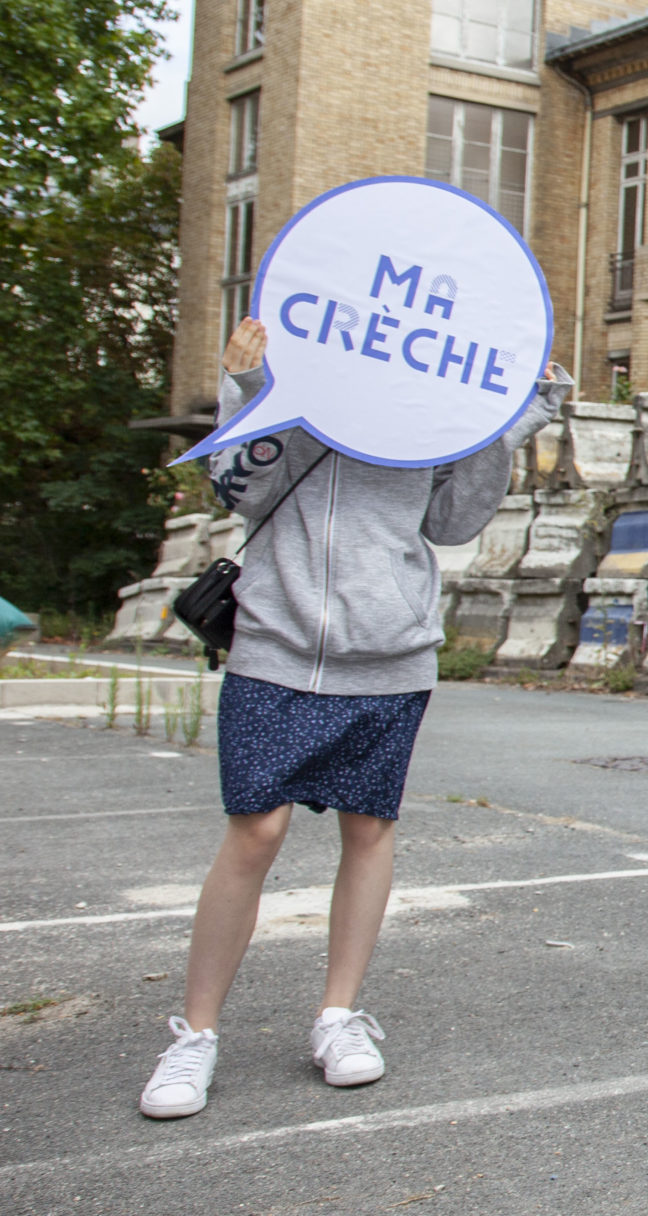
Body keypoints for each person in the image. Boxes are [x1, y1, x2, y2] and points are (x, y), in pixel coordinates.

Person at [138, 317, 568, 1120]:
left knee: (368, 828)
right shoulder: (301, 388)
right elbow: (239, 490)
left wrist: (509, 421)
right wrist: (248, 390)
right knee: (255, 831)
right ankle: (194, 1033)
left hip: (391, 652)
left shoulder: (432, 401)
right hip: (275, 643)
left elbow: (453, 522)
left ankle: (338, 1016)